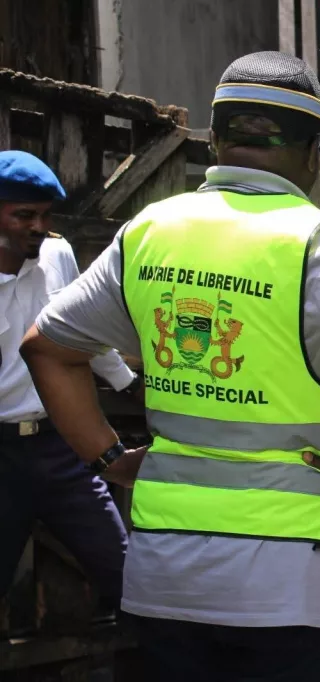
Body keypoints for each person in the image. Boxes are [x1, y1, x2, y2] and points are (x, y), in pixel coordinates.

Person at [20, 52, 320, 681]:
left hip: (166, 576)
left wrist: (108, 457)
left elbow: (47, 348)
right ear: (314, 152)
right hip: (296, 584)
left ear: (216, 139)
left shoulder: (150, 232)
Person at [0, 150, 138, 614]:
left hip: (60, 450)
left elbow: (82, 335)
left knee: (126, 576)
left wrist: (126, 382)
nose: (38, 226)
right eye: (24, 215)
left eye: (44, 215)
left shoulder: (57, 254)